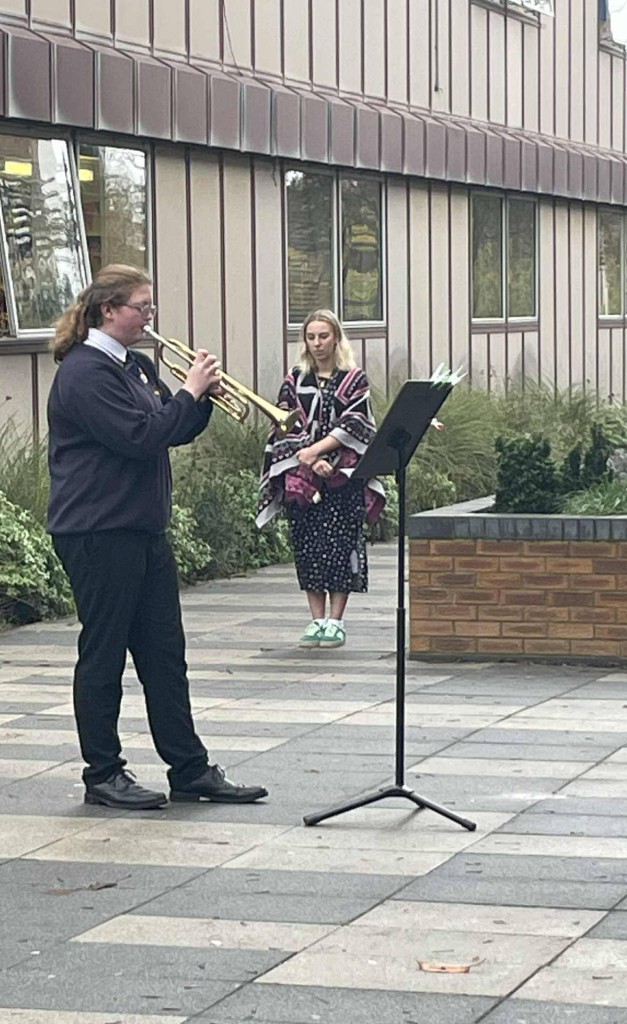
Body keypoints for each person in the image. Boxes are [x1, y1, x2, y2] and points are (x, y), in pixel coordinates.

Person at [47, 263, 268, 810]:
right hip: (98, 531)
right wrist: (189, 391)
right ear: (108, 310)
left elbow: (173, 427)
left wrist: (202, 399)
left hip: (142, 527)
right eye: (141, 307)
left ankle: (189, 769)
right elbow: (141, 437)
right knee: (103, 656)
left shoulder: (136, 366)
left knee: (165, 655)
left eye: (151, 307)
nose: (149, 317)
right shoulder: (84, 373)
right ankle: (102, 773)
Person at [256, 309, 385, 650]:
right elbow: (283, 423)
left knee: (342, 546)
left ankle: (336, 621)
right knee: (309, 546)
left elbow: (357, 424)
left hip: (343, 476)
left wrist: (321, 452)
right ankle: (316, 620)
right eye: (311, 337)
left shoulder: (354, 379)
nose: (317, 343)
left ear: (336, 338)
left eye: (323, 336)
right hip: (303, 477)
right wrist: (310, 459)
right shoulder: (294, 379)